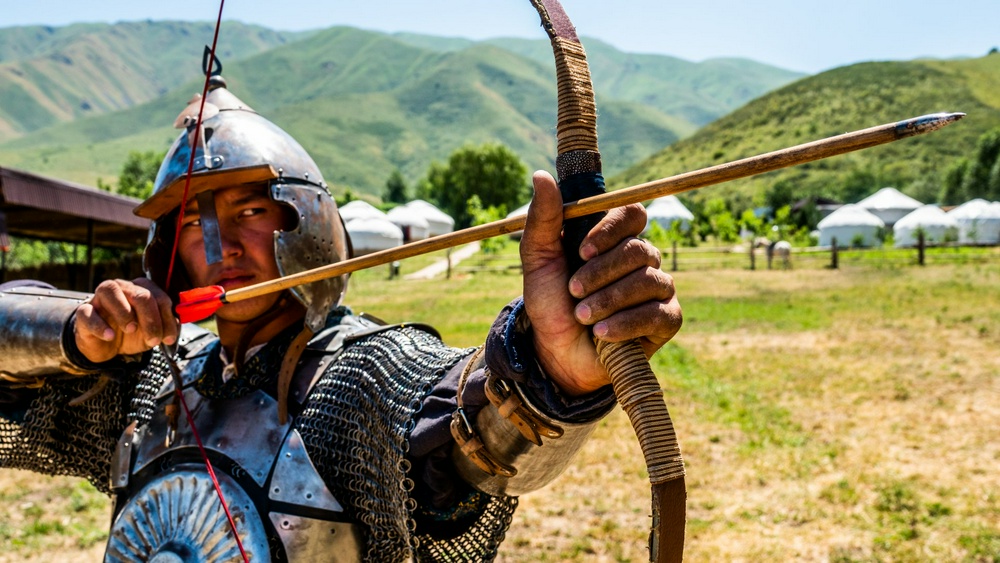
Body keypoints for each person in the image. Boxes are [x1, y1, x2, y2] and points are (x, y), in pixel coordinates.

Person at [0, 77, 681, 562]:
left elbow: (466, 445)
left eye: (250, 211)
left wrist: (551, 368)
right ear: (164, 252)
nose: (221, 247)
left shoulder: (357, 377)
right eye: (192, 224)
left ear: (307, 223)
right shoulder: (153, 389)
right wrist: (74, 336)